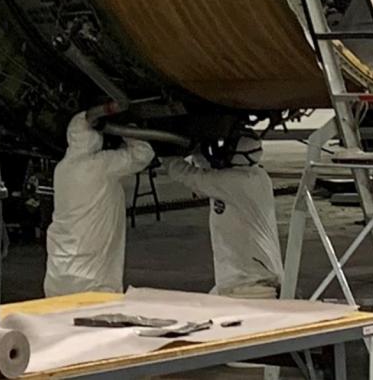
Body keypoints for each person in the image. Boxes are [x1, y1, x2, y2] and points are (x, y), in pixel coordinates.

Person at [44, 111, 154, 297]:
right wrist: (126, 129)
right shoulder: (101, 165)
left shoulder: (61, 169)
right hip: (92, 282)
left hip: (57, 278)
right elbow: (143, 154)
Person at [166, 133, 284, 298]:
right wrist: (199, 151)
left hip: (249, 285)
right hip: (250, 277)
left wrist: (165, 153)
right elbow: (210, 172)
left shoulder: (232, 182)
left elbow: (186, 174)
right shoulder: (257, 176)